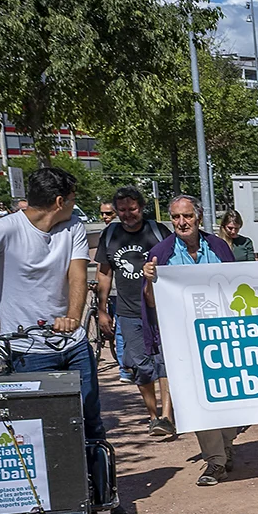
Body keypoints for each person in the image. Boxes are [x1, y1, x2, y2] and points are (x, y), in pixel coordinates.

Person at [0, 167, 116, 514]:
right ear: (59, 201)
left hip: (71, 343)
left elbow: (77, 274)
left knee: (90, 417)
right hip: (27, 349)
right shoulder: (4, 229)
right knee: (40, 427)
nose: (75, 205)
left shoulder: (72, 226)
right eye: (73, 199)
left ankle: (103, 493)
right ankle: (48, 498)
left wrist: (74, 317)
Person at [141, 195, 239, 484]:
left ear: (199, 217)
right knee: (197, 398)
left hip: (223, 336)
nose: (181, 223)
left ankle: (227, 446)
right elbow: (151, 302)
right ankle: (215, 461)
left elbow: (236, 286)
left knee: (228, 395)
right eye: (175, 217)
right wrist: (149, 279)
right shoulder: (161, 253)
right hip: (184, 338)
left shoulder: (219, 247)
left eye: (187, 216)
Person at [93, 186, 171, 438]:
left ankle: (167, 417)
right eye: (123, 210)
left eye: (133, 208)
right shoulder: (110, 235)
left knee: (164, 363)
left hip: (160, 310)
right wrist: (102, 310)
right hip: (127, 311)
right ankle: (153, 415)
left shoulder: (158, 232)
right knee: (139, 365)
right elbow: (104, 273)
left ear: (142, 207)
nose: (128, 214)